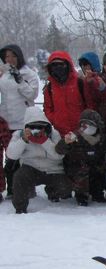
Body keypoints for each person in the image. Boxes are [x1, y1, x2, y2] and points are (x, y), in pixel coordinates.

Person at [7, 107, 70, 214]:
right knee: (19, 177)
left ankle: (52, 191)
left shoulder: (53, 134)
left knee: (65, 190)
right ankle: (20, 207)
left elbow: (58, 156)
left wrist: (44, 141)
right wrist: (24, 140)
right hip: (31, 169)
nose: (36, 130)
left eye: (40, 127)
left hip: (53, 170)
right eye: (33, 127)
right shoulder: (19, 134)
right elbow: (11, 155)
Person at [0, 44, 39, 196]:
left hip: (23, 121)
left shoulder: (28, 74)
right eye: (7, 56)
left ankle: (27, 188)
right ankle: (11, 188)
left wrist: (19, 80)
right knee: (10, 157)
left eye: (13, 56)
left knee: (24, 157)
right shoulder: (4, 74)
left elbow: (32, 95)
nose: (10, 59)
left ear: (19, 56)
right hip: (6, 120)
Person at [54, 109, 106, 206]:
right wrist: (66, 142)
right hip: (78, 170)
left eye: (90, 125)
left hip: (96, 169)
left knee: (101, 170)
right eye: (84, 125)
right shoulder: (75, 137)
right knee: (82, 171)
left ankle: (97, 193)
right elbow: (59, 149)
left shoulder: (102, 138)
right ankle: (81, 195)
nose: (87, 128)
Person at [43, 51, 95, 137]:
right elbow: (48, 109)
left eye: (61, 64)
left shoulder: (80, 82)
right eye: (54, 65)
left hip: (82, 132)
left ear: (68, 65)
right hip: (60, 134)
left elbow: (90, 105)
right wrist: (55, 120)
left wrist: (84, 126)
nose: (58, 68)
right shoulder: (49, 88)